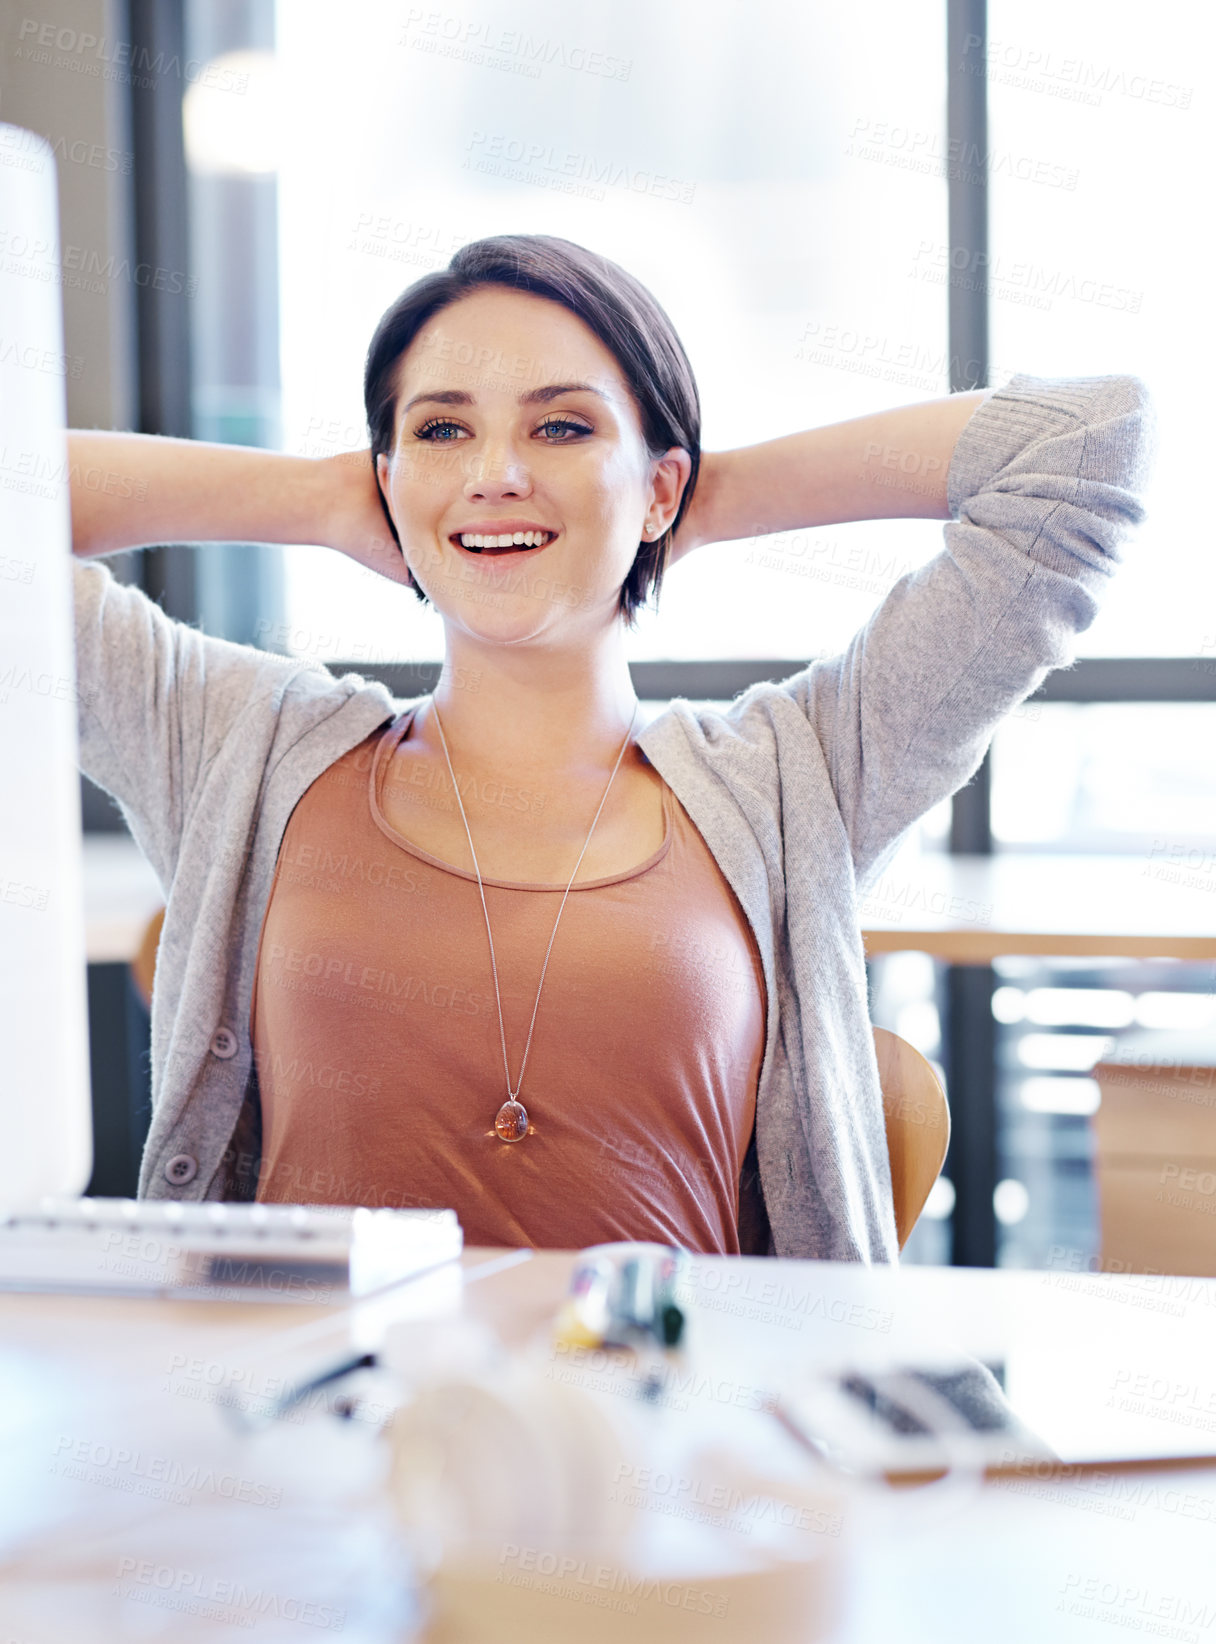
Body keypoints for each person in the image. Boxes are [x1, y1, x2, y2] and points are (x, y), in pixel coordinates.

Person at [67, 233, 1156, 1259]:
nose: (495, 472)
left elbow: (1087, 442)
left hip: (674, 1429)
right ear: (387, 478)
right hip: (316, 1428)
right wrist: (313, 497)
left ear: (661, 484)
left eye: (561, 427)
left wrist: (681, 501)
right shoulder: (235, 745)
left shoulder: (799, 772)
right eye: (443, 430)